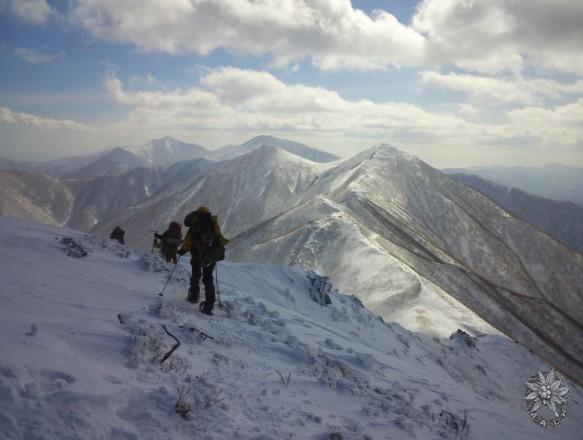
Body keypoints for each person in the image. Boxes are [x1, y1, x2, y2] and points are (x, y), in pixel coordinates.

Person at [178, 206, 229, 315]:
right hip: (211, 257)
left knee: (196, 275)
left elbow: (188, 241)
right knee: (208, 279)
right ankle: (208, 306)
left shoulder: (195, 225)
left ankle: (193, 296)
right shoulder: (213, 224)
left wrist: (182, 250)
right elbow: (219, 238)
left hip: (198, 256)